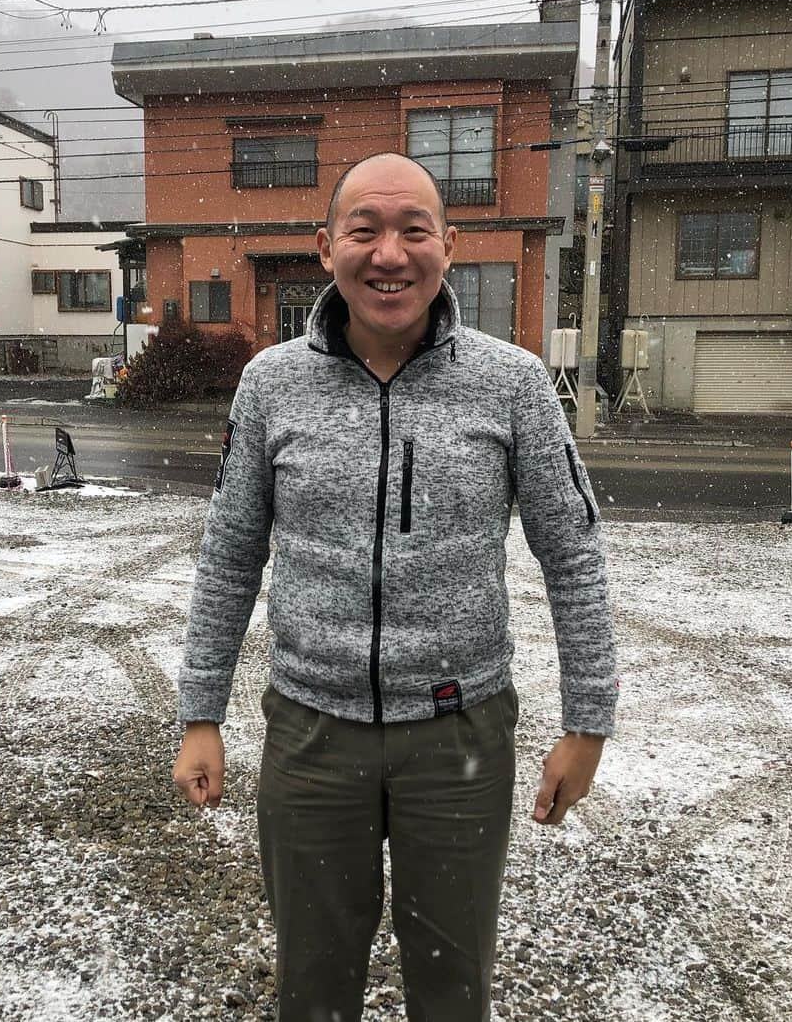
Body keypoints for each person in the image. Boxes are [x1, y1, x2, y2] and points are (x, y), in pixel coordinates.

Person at [172, 151, 618, 1022]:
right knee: (310, 989)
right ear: (325, 245)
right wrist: (201, 714)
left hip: (460, 739)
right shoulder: (270, 385)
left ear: (448, 247)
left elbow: (575, 556)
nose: (390, 254)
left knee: (453, 994)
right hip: (310, 736)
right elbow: (228, 554)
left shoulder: (515, 384)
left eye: (414, 230)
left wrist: (588, 722)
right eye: (365, 229)